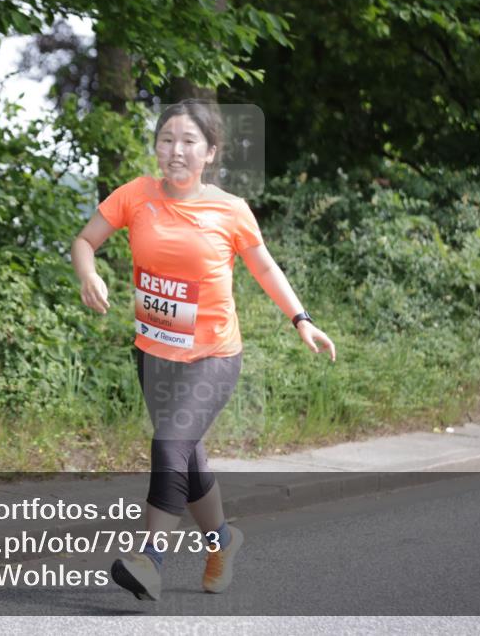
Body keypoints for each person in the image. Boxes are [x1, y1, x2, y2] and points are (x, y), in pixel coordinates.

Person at [71, 99, 335, 601]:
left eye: (189, 141)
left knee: (169, 445)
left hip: (212, 357)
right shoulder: (136, 195)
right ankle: (222, 541)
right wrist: (89, 273)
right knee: (187, 462)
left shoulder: (230, 209)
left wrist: (301, 318)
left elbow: (264, 268)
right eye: (167, 139)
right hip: (153, 354)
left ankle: (149, 560)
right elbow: (85, 240)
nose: (175, 151)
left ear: (210, 152)